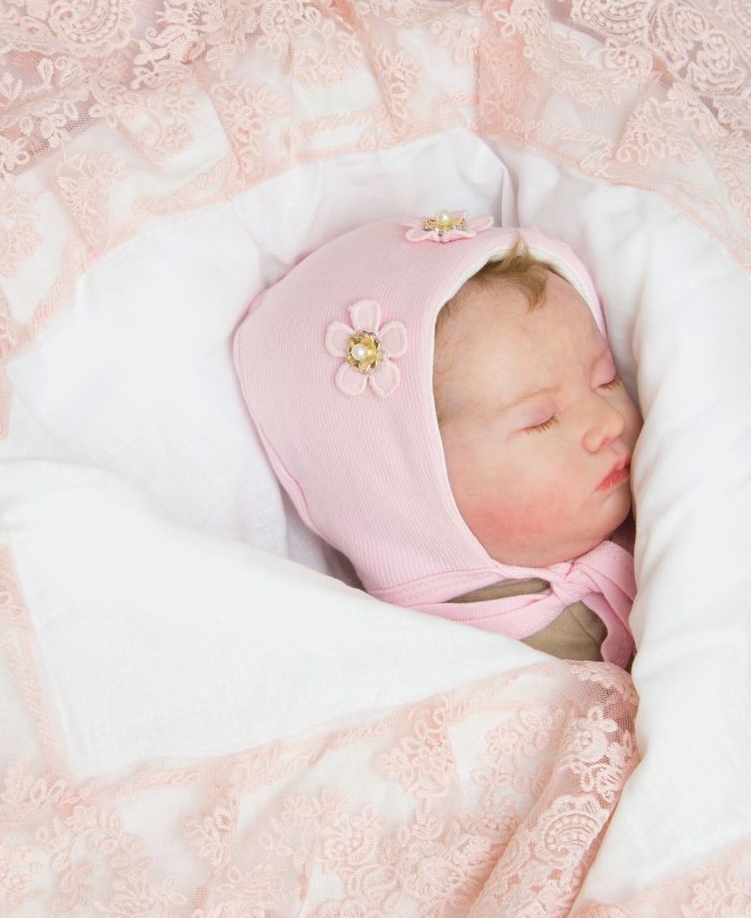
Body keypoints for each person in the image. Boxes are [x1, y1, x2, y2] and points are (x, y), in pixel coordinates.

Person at [234, 211, 642, 666]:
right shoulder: (460, 669)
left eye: (606, 378)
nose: (608, 421)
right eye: (540, 420)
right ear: (408, 495)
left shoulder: (665, 493)